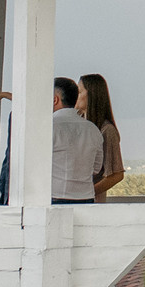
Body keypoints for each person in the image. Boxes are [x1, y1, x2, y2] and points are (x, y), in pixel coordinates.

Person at [50, 76, 104, 205]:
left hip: (55, 196)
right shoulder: (93, 129)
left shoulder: (50, 127)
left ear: (54, 100)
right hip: (86, 197)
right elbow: (96, 168)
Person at [79, 73, 125, 201]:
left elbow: (117, 174)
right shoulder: (79, 125)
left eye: (79, 92)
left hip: (92, 203)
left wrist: (88, 193)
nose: (75, 97)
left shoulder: (107, 130)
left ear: (91, 95)